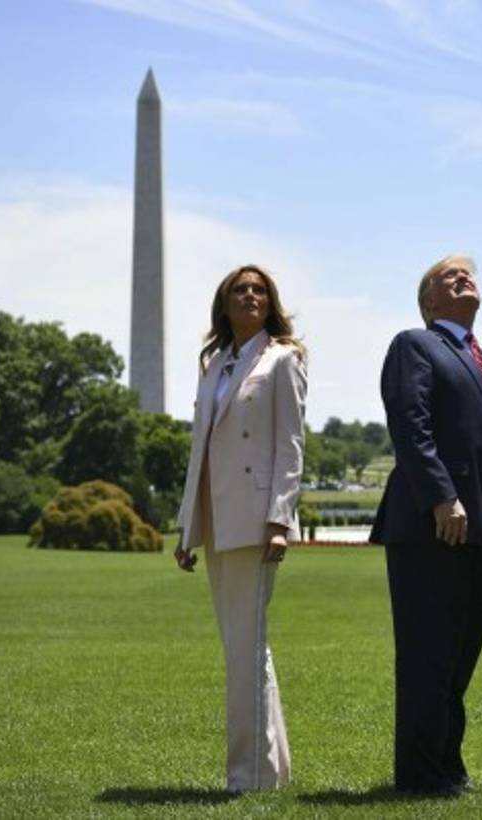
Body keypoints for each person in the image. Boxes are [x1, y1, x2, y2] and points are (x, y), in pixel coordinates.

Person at [370, 254, 482, 796]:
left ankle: (446, 765)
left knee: (461, 657)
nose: (463, 278)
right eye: (447, 276)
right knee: (427, 656)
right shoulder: (415, 344)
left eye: (469, 273)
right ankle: (418, 775)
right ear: (428, 301)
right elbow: (410, 425)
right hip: (430, 527)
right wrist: (442, 497)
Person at [173, 263, 308, 792]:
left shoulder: (282, 359)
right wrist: (187, 528)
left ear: (269, 303)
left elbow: (290, 445)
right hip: (217, 518)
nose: (250, 296)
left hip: (255, 521)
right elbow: (200, 453)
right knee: (245, 649)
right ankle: (271, 771)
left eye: (259, 290)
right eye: (239, 290)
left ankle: (247, 777)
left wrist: (280, 519)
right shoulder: (215, 363)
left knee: (247, 651)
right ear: (225, 305)